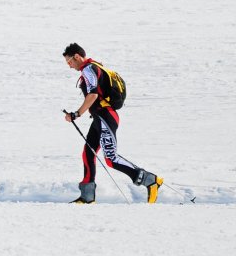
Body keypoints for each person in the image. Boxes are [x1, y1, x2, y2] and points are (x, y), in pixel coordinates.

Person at [62, 43, 163, 204]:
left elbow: (93, 95)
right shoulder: (92, 68)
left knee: (110, 158)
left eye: (69, 62)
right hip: (99, 117)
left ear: (76, 56)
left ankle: (150, 180)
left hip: (105, 116)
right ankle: (87, 197)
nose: (69, 66)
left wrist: (76, 114)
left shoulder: (88, 69)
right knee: (88, 153)